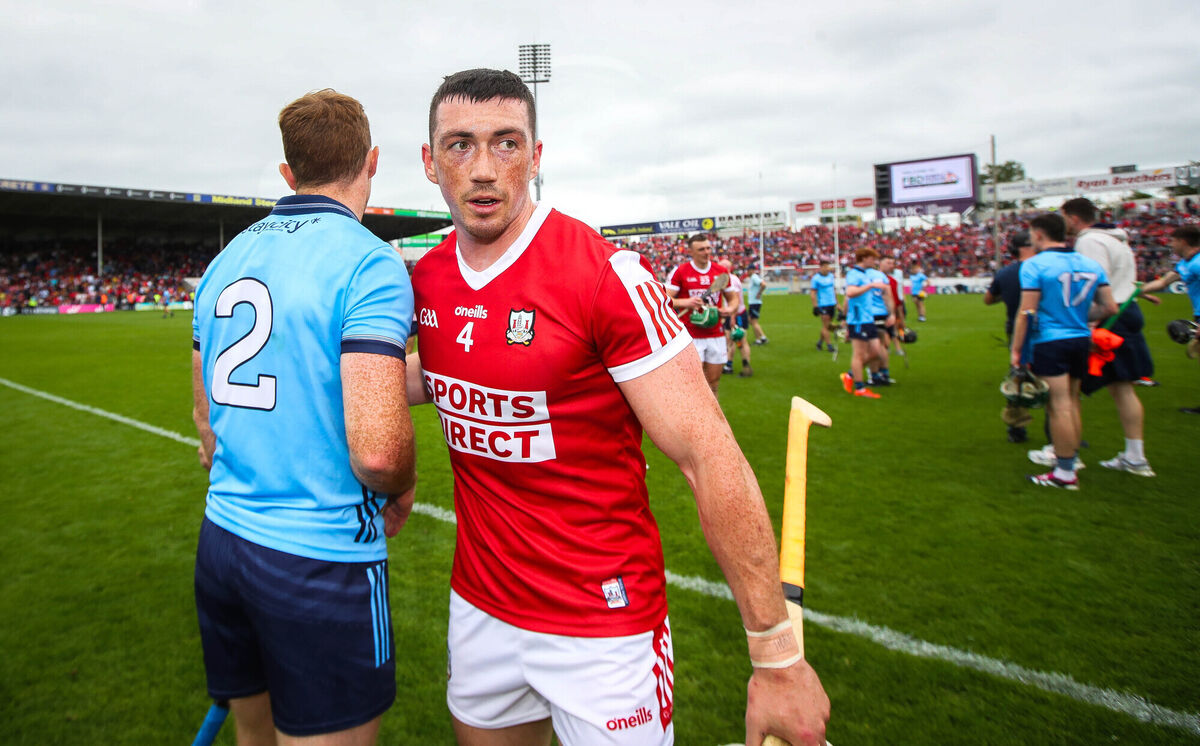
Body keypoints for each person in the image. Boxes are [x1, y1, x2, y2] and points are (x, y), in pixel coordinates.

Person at [409, 68, 829, 746]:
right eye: (459, 145)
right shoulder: (426, 278)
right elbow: (445, 370)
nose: (483, 168)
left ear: (537, 157)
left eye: (506, 144)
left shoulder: (603, 274)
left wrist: (776, 654)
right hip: (481, 606)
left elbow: (707, 453)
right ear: (429, 162)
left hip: (602, 620)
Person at [190, 89, 417, 743]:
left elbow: (205, 419)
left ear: (287, 172)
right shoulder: (369, 260)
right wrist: (398, 486)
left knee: (255, 736)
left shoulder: (224, 260)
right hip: (317, 560)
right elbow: (376, 451)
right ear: (371, 162)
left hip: (223, 539)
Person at [1049, 197, 1156, 477]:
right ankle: (1135, 456)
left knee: (1069, 389)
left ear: (1073, 218)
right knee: (1122, 388)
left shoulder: (1090, 241)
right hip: (1126, 309)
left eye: (1062, 217)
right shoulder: (1116, 238)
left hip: (1109, 317)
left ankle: (1067, 456)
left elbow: (1095, 283)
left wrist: (1091, 324)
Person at [1011, 213, 1117, 489]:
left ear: (1039, 234)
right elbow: (1109, 308)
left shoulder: (1034, 265)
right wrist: (1079, 316)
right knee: (1071, 401)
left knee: (1057, 406)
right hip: (1082, 338)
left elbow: (1027, 312)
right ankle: (1071, 458)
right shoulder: (1089, 263)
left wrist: (1016, 352)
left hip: (1050, 340)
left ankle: (1065, 472)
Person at [667, 234, 738, 396]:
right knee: (694, 385)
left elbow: (733, 299)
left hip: (716, 334)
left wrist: (730, 309)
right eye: (701, 249)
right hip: (691, 336)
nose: (706, 252)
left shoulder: (720, 271)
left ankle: (714, 420)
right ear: (691, 251)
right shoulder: (680, 272)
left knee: (713, 382)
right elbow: (664, 299)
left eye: (708, 248)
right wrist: (687, 302)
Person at [1141, 225, 1200, 413]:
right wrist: (1136, 291)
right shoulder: (1185, 263)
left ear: (1183, 241)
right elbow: (1164, 282)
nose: (1171, 245)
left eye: (1173, 241)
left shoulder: (1198, 263)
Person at [985, 230, 1037, 443]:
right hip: (1048, 328)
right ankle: (1062, 435)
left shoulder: (1006, 273)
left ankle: (1016, 429)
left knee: (1019, 378)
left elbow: (988, 299)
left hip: (1016, 329)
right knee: (1058, 381)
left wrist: (1005, 297)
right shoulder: (1045, 268)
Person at [839, 247, 892, 399]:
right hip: (858, 319)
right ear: (864, 258)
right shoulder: (854, 274)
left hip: (868, 318)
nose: (875, 261)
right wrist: (870, 286)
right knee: (859, 354)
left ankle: (850, 374)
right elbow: (850, 293)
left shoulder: (864, 274)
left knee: (875, 351)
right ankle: (860, 388)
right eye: (872, 258)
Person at [719, 257, 752, 376]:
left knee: (740, 341)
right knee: (730, 341)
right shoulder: (729, 279)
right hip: (732, 313)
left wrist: (733, 317)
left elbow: (736, 300)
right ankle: (729, 365)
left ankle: (746, 367)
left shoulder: (731, 280)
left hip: (736, 314)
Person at [865, 255, 895, 385]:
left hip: (867, 314)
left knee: (871, 347)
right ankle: (885, 374)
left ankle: (874, 375)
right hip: (882, 313)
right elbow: (888, 296)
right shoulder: (882, 277)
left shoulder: (860, 276)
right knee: (882, 345)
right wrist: (891, 314)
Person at [810, 260, 838, 352]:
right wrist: (815, 306)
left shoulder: (831, 276)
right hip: (823, 304)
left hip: (832, 304)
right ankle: (829, 346)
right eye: (825, 266)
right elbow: (813, 293)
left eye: (828, 266)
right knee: (826, 326)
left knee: (827, 326)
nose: (827, 268)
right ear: (821, 267)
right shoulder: (816, 278)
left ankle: (819, 342)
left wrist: (837, 303)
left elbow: (833, 290)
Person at [743, 264, 769, 344]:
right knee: (751, 320)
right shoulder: (752, 278)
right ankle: (758, 339)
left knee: (753, 322)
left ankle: (763, 337)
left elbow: (763, 284)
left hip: (755, 303)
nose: (747, 272)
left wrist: (759, 293)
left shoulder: (754, 277)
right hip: (753, 303)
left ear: (752, 270)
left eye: (748, 270)